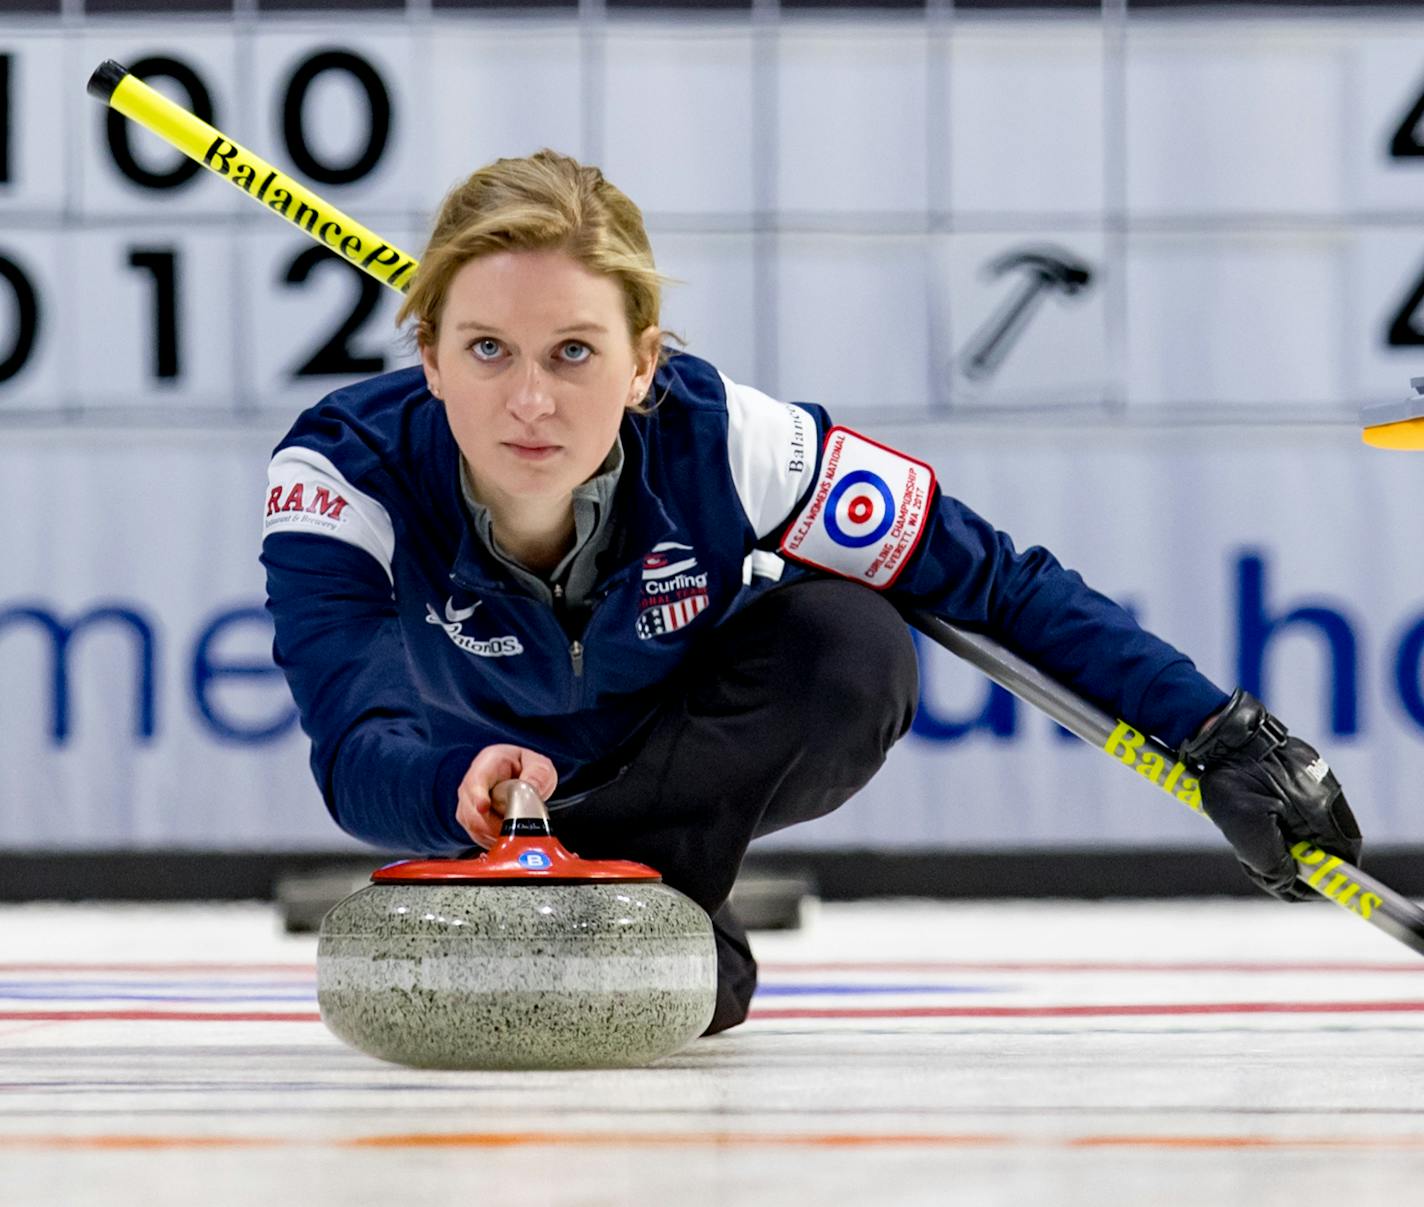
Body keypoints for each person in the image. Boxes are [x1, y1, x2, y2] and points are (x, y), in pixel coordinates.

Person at [261, 150, 1362, 1035]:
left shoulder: (734, 441)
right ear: (428, 355)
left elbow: (993, 582)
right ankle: (647, 911)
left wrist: (1219, 733)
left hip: (679, 758)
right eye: (489, 349)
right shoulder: (340, 475)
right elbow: (356, 745)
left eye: (575, 352)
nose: (531, 402)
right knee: (686, 961)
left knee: (853, 644)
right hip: (483, 800)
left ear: (645, 364)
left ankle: (644, 884)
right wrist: (453, 780)